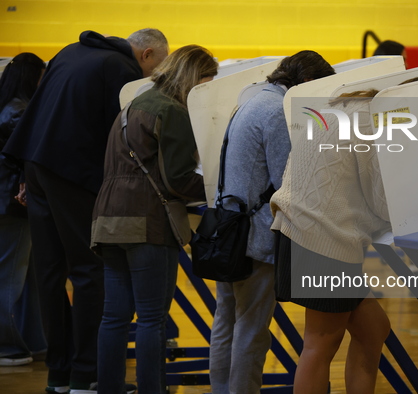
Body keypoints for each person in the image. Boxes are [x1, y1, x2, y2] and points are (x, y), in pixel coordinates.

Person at [2, 28, 168, 394]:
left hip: (36, 164)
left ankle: (58, 375)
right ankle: (86, 374)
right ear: (147, 54)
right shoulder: (121, 68)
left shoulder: (70, 51)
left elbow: (35, 111)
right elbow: (123, 135)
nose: (151, 79)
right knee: (90, 269)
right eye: (156, 69)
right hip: (72, 171)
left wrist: (22, 175)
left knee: (49, 272)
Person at [208, 51, 335, 394]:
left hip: (230, 231)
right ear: (306, 82)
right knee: (251, 329)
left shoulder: (249, 101)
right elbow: (286, 180)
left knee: (226, 322)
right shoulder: (278, 112)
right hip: (256, 237)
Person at [91, 44, 216, 394]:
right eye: (206, 80)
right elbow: (177, 178)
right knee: (151, 319)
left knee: (114, 317)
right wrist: (215, 187)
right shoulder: (171, 110)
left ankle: (110, 389)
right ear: (193, 76)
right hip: (147, 220)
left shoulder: (133, 105)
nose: (205, 89)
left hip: (107, 217)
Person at [270, 90, 392, 394]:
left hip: (297, 229)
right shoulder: (368, 120)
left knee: (373, 329)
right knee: (321, 343)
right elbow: (381, 198)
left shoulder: (340, 108)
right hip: (322, 238)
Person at [0, 52, 47, 367]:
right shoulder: (19, 112)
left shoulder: (7, 108)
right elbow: (29, 157)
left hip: (6, 203)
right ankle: (4, 345)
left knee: (23, 277)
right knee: (10, 278)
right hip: (13, 206)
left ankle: (32, 339)